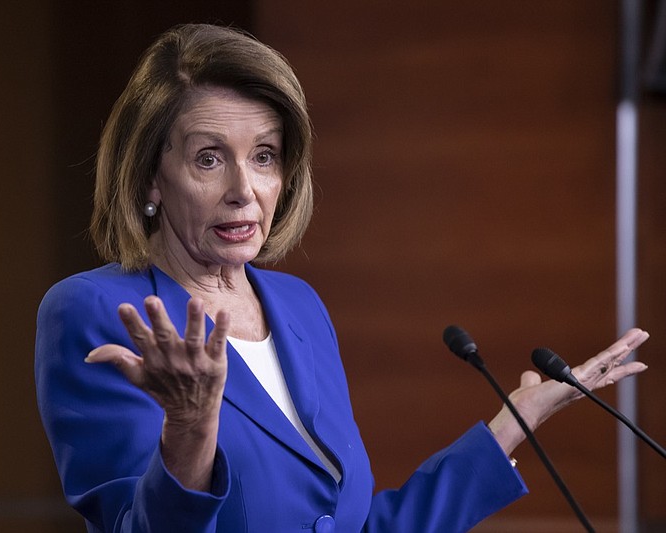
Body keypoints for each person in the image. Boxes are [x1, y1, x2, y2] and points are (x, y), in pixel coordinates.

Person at [34, 23, 650, 533]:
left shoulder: (298, 307)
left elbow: (352, 525)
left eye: (264, 156)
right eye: (209, 158)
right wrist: (192, 428)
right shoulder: (97, 311)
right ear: (149, 178)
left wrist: (510, 427)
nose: (243, 191)